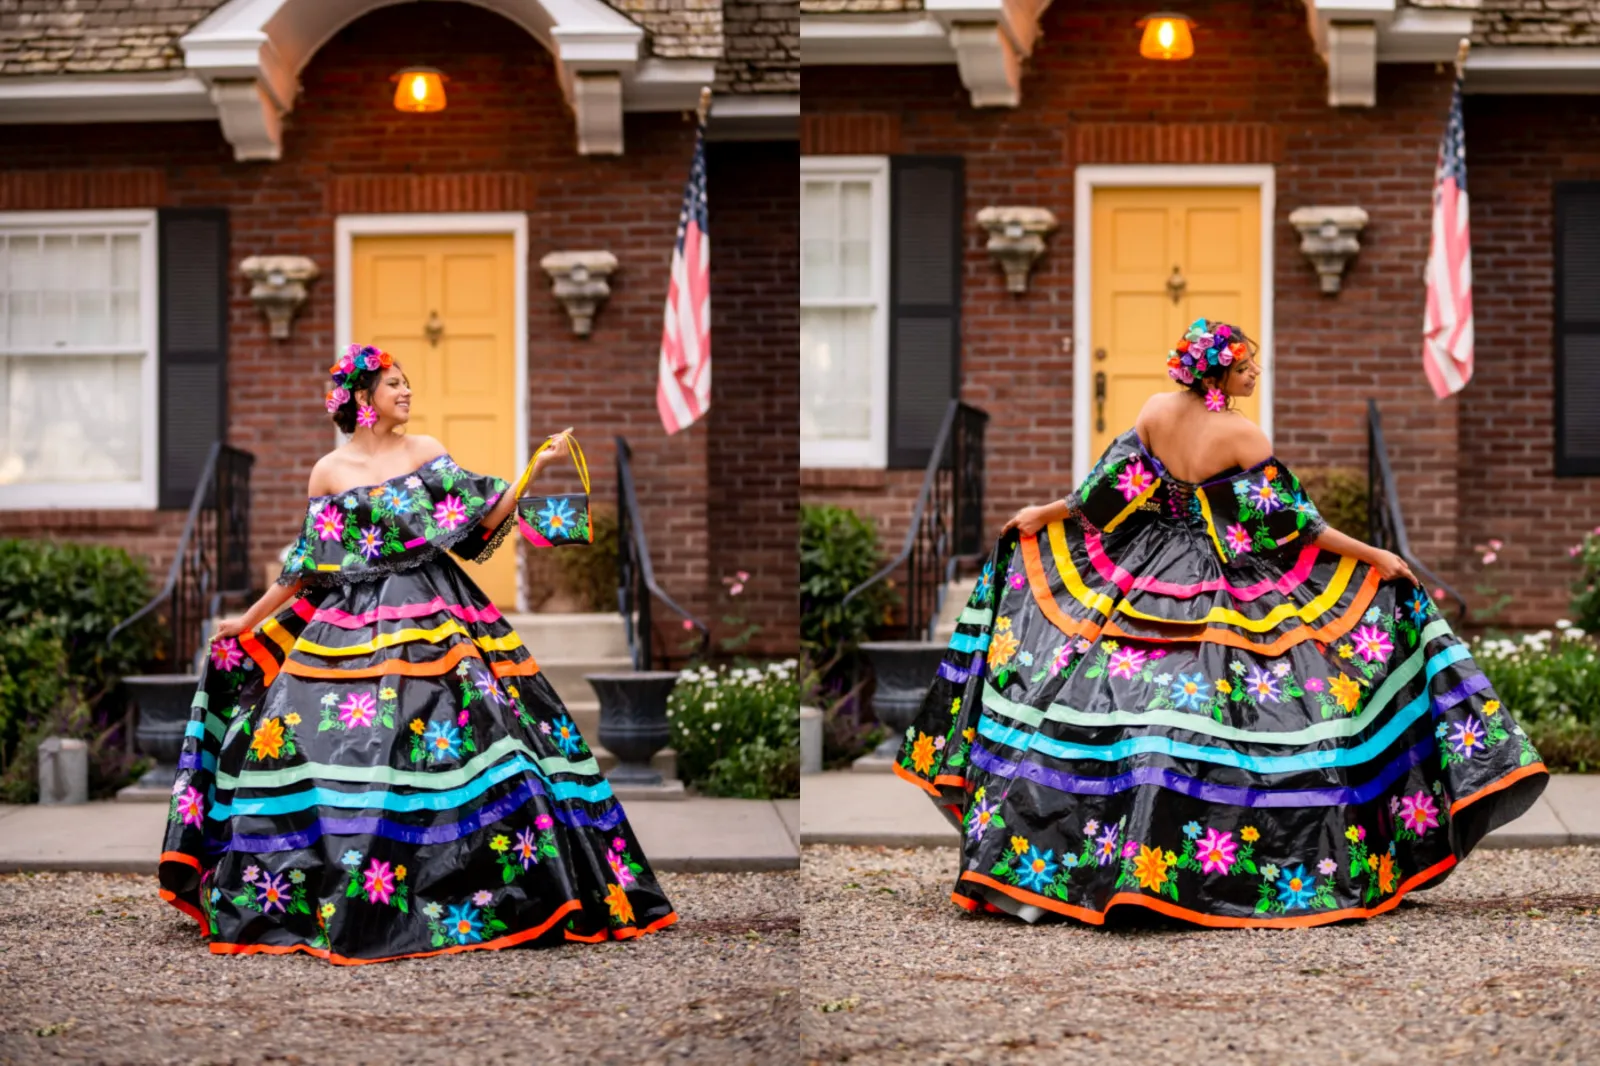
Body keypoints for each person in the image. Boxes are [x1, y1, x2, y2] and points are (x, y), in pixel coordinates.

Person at [895, 318, 1548, 928]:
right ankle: (1185, 872)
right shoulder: (1243, 436)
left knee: (1123, 705)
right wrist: (1375, 555)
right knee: (1238, 712)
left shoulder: (1155, 411)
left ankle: (1081, 871)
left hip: (1145, 570)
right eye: (1245, 365)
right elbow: (1290, 527)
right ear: (1216, 375)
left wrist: (1045, 511)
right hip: (1219, 583)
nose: (1255, 373)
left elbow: (1106, 494)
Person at [158, 343, 675, 963]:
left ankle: (501, 892)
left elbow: (484, 515)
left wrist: (537, 466)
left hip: (441, 613)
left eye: (408, 383)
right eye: (394, 384)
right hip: (350, 626)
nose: (406, 393)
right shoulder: (329, 472)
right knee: (322, 743)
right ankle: (342, 893)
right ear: (362, 399)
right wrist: (243, 622)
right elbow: (304, 568)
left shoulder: (426, 452)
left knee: (491, 736)